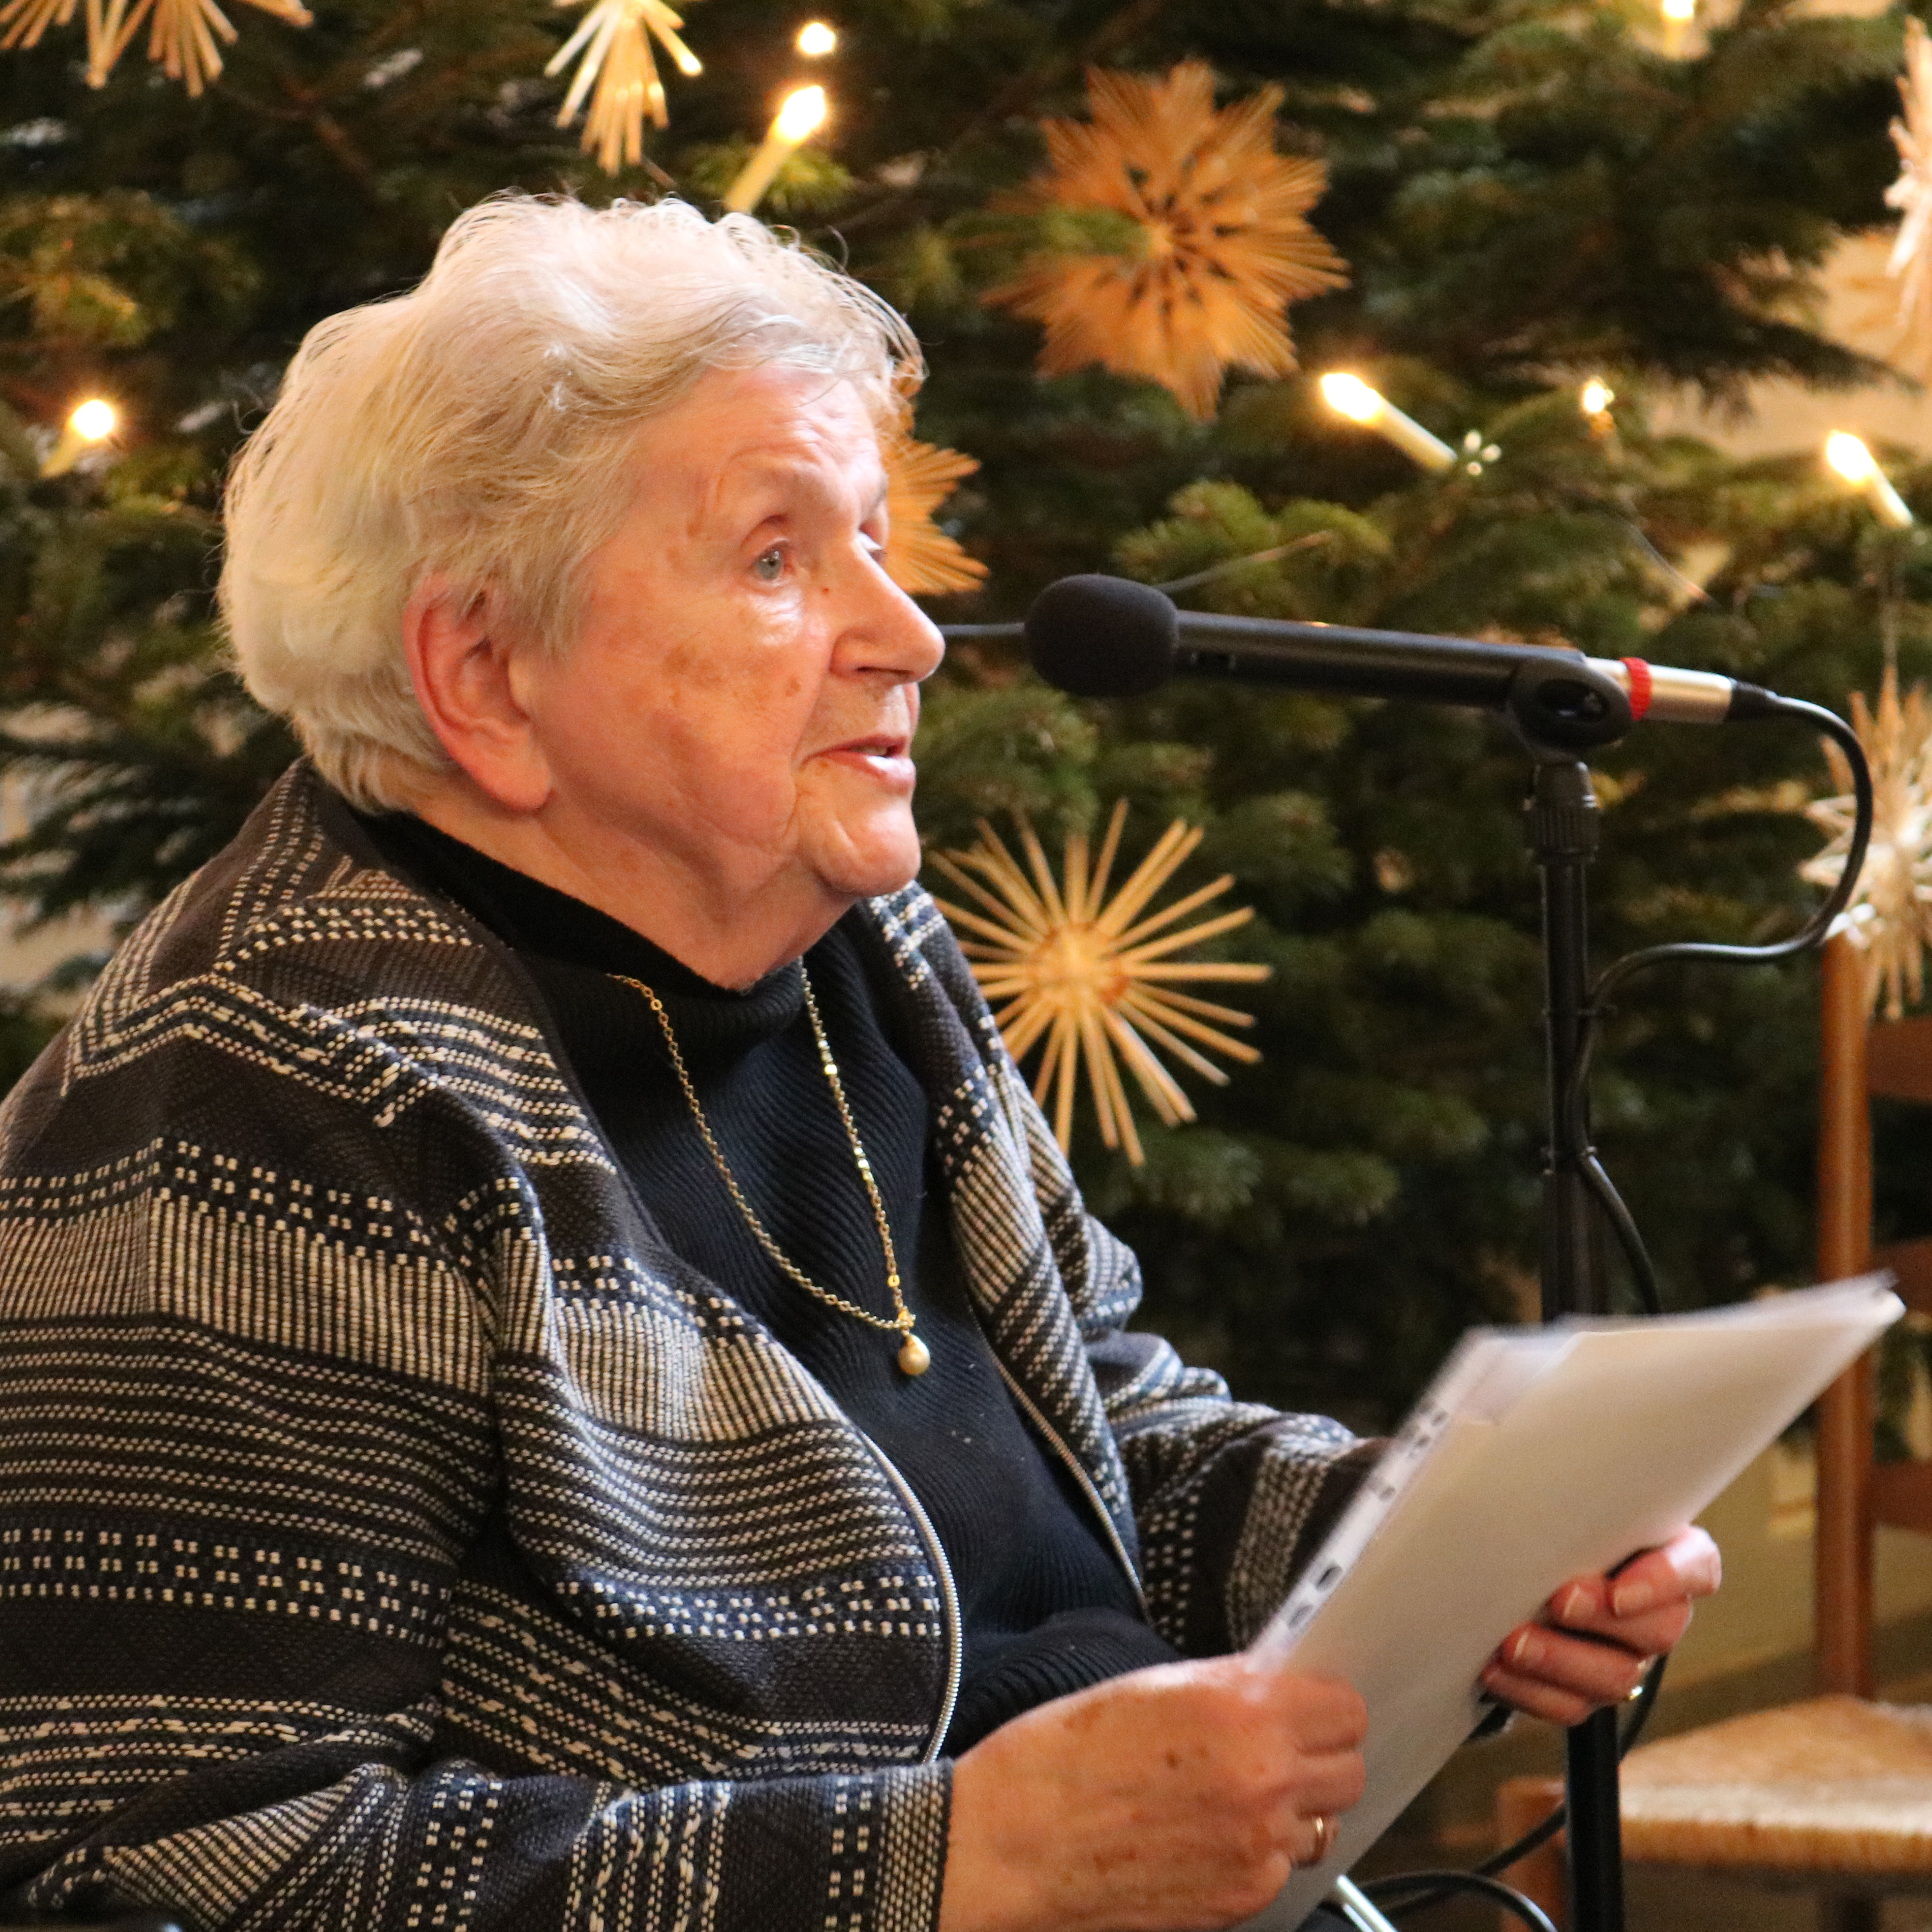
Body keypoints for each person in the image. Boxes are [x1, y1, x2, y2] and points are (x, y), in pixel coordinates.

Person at [0, 196, 1718, 1932]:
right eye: (776, 559)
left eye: (878, 542)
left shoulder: (847, 947)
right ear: (484, 675)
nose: (904, 634)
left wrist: (1425, 1546)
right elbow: (164, 1862)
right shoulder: (260, 1101)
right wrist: (957, 1859)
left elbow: (1103, 1440)